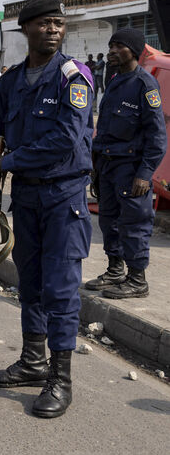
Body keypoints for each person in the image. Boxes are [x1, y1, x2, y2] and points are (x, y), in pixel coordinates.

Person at [0, 0, 94, 419]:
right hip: (25, 197)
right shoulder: (9, 82)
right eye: (45, 23)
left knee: (60, 289)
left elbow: (65, 139)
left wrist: (5, 162)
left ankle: (59, 380)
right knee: (30, 283)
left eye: (59, 24)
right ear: (25, 29)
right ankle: (32, 361)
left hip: (64, 197)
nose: (53, 29)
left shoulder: (73, 76)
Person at [87, 28, 166, 299]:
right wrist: (95, 166)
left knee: (134, 223)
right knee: (109, 220)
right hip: (108, 165)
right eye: (110, 46)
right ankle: (114, 270)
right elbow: (105, 127)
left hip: (131, 169)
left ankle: (137, 280)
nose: (111, 51)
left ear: (134, 51)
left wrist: (145, 174)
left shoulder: (145, 85)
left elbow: (157, 136)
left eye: (118, 46)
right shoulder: (114, 80)